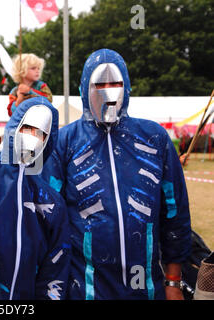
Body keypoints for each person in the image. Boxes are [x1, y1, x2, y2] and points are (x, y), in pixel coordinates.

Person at [41, 49, 192, 300]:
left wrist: (174, 282)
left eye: (116, 83)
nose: (108, 91)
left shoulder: (154, 138)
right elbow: (49, 221)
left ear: (127, 86)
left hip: (147, 287)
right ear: (84, 88)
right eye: (99, 84)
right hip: (86, 287)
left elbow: (175, 213)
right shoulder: (65, 142)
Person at [0, 96, 70, 300]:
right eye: (27, 128)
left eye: (41, 133)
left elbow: (54, 270)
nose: (33, 137)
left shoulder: (50, 202)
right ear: (14, 128)